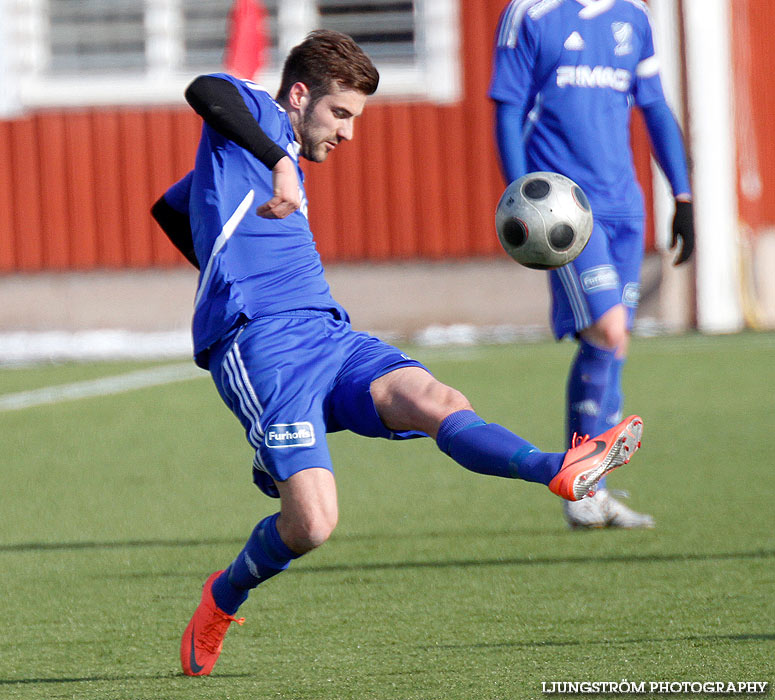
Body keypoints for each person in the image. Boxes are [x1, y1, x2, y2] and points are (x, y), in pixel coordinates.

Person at [152, 30, 644, 677]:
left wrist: (222, 241)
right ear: (299, 95)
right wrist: (272, 167)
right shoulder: (258, 120)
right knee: (312, 526)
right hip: (260, 345)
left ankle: (558, 468)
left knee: (436, 400)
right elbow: (205, 90)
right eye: (340, 114)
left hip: (330, 332)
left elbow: (170, 208)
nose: (348, 133)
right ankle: (222, 596)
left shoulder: (256, 159)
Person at [489, 0, 693, 529]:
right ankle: (580, 489)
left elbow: (654, 107)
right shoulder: (531, 14)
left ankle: (588, 488)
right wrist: (522, 199)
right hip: (567, 213)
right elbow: (508, 107)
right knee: (607, 331)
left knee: (613, 341)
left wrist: (684, 196)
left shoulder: (633, 18)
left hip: (625, 204)